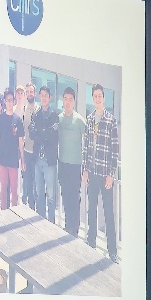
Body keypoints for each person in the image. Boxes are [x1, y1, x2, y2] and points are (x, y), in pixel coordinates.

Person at [84, 83, 121, 262]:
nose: (97, 99)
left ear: (104, 98)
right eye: (95, 96)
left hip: (105, 174)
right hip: (92, 172)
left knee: (108, 213)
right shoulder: (90, 119)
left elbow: (115, 149)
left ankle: (112, 251)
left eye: (100, 96)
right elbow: (86, 146)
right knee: (91, 209)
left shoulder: (110, 120)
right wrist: (85, 170)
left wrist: (111, 174)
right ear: (92, 98)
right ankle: (90, 243)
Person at [57, 88, 87, 237]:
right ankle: (68, 226)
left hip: (75, 166)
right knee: (65, 196)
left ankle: (74, 230)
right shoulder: (59, 119)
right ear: (62, 101)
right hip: (62, 163)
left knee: (75, 198)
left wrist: (85, 167)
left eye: (70, 99)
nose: (67, 102)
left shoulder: (79, 120)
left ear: (74, 101)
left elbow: (88, 143)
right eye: (65, 99)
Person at [30, 85, 60, 221]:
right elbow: (31, 133)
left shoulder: (54, 116)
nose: (44, 98)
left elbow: (53, 136)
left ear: (50, 98)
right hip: (37, 159)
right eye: (41, 95)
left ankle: (51, 222)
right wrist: (43, 133)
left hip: (49, 161)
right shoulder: (36, 114)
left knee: (51, 195)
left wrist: (40, 133)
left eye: (46, 95)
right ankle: (41, 221)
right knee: (39, 192)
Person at [0, 89, 24, 210]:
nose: (9, 103)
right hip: (3, 159)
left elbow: (20, 141)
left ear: (14, 101)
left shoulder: (18, 120)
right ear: (4, 102)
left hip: (14, 160)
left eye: (11, 100)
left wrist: (23, 159)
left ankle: (14, 214)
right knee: (3, 189)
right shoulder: (1, 118)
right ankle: (3, 213)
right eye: (7, 100)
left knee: (14, 191)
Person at [19, 82, 37, 207]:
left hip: (36, 153)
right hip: (26, 152)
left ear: (34, 93)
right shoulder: (24, 109)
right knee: (26, 183)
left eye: (31, 91)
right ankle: (26, 207)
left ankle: (33, 208)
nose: (29, 94)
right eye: (28, 92)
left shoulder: (38, 109)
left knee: (35, 184)